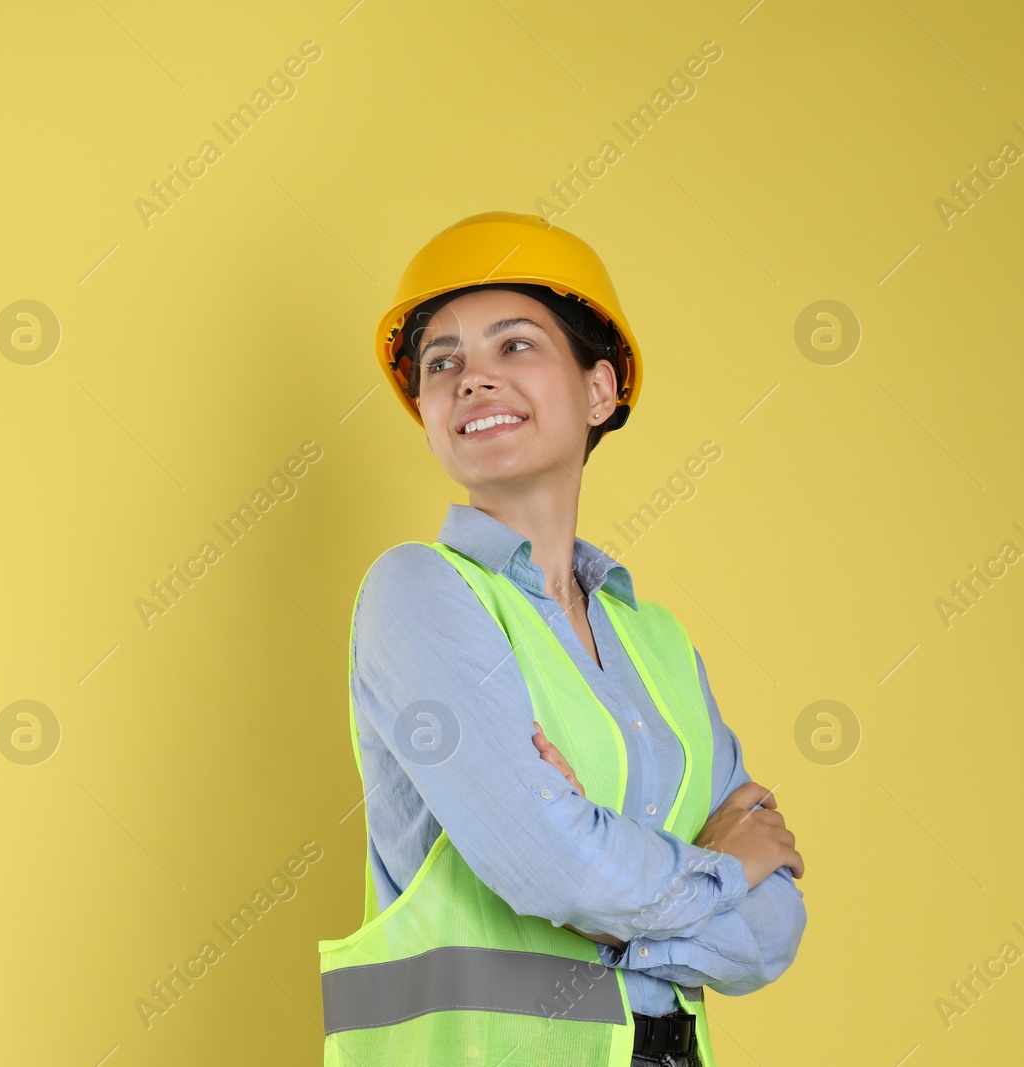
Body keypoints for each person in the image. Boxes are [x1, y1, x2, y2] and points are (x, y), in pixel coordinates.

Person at [316, 212, 807, 1067]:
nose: (471, 379)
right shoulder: (418, 593)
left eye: (514, 347)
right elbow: (549, 867)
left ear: (599, 389)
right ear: (425, 407)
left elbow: (774, 932)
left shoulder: (657, 640)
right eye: (443, 362)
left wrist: (608, 895)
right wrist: (717, 870)